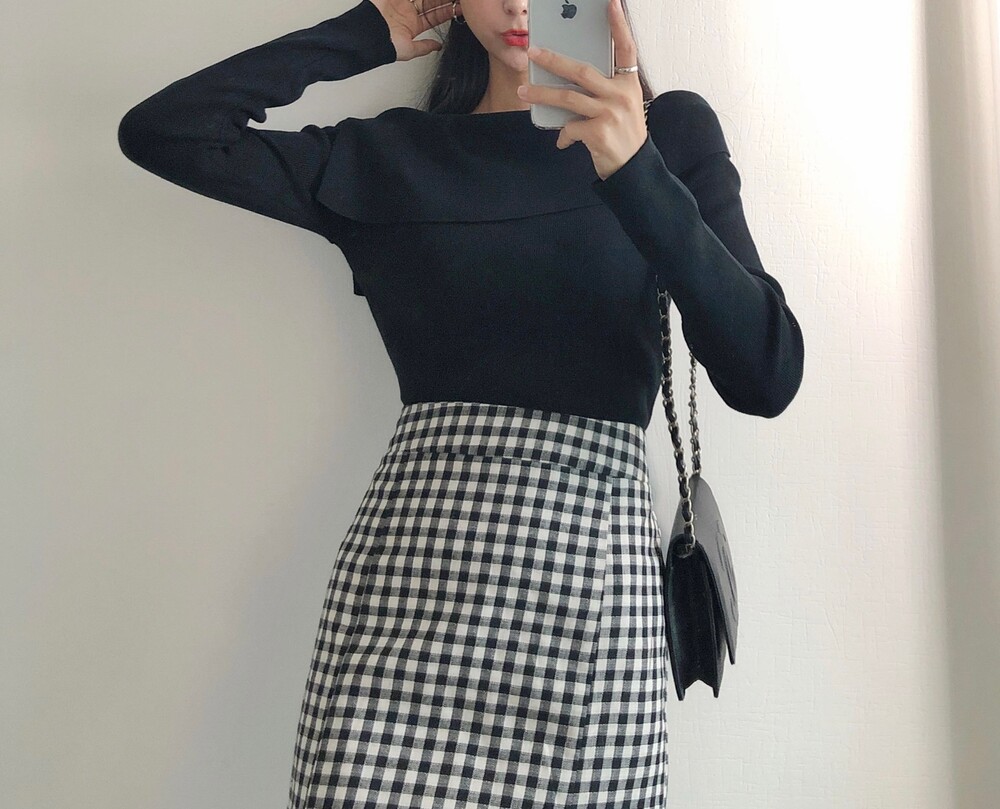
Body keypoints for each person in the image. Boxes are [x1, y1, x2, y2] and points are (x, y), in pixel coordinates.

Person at [118, 0, 805, 805]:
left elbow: (766, 373)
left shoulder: (666, 134)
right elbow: (167, 131)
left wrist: (634, 169)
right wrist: (370, 29)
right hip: (404, 611)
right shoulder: (390, 156)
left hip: (587, 613)